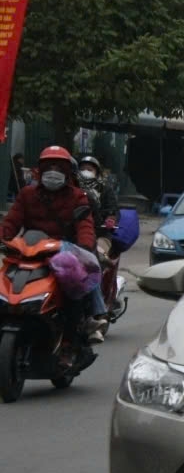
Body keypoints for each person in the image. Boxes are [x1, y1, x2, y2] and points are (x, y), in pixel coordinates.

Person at [1, 146, 99, 344]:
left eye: (59, 166)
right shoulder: (27, 194)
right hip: (28, 251)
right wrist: (4, 238)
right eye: (49, 166)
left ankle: (69, 343)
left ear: (67, 171)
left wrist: (85, 247)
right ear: (40, 170)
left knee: (74, 292)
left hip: (63, 254)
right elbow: (11, 222)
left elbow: (85, 225)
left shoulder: (77, 196)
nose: (53, 171)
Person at [78, 155, 120, 341]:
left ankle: (98, 312)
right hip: (70, 236)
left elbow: (112, 210)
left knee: (94, 261)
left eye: (90, 168)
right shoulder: (73, 189)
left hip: (99, 235)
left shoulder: (104, 190)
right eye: (83, 167)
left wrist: (110, 219)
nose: (86, 171)